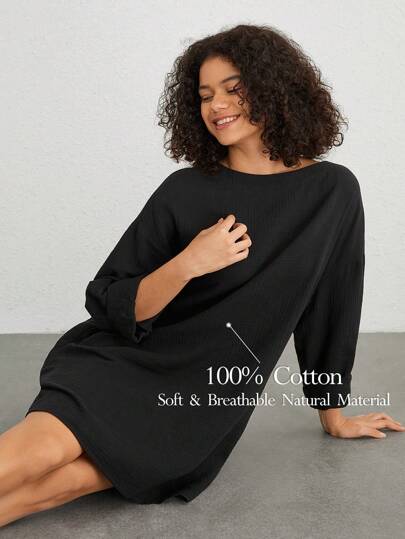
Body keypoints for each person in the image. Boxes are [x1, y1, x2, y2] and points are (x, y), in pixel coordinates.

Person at [1, 23, 404, 528]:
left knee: (41, 493)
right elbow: (111, 301)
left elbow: (333, 304)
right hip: (121, 370)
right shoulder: (184, 190)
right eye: (205, 95)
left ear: (275, 88)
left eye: (234, 89)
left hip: (198, 407)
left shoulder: (332, 191)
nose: (217, 105)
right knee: (39, 458)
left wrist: (333, 413)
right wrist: (189, 262)